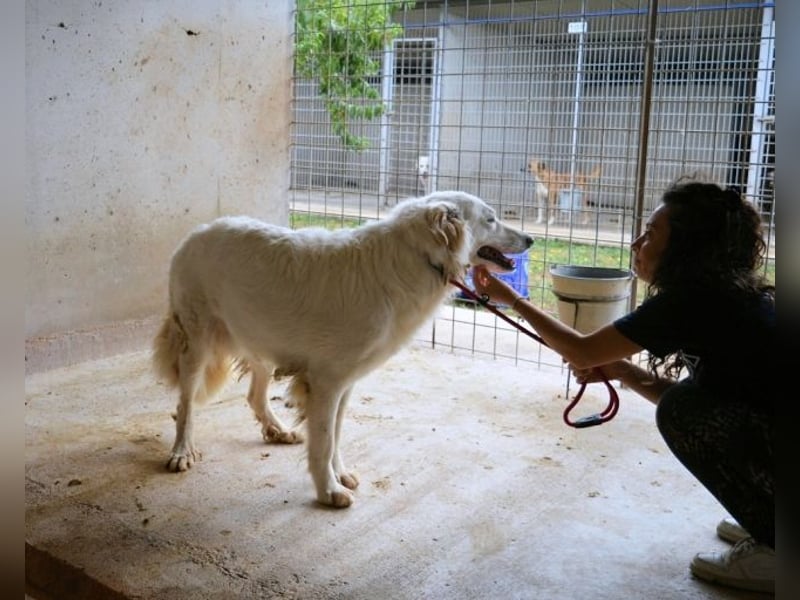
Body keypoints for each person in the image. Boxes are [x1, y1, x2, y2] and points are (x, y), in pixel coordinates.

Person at [472, 177, 775, 594]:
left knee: (680, 411)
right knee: (687, 407)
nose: (636, 242)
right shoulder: (725, 295)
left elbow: (582, 351)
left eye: (650, 234)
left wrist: (515, 300)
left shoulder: (691, 301)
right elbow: (711, 402)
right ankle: (768, 521)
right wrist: (626, 372)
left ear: (685, 248)